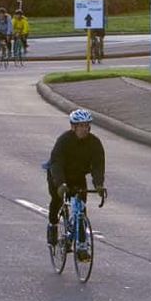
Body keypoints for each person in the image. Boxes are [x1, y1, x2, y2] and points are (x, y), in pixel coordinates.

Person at [45, 108, 107, 254]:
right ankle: (53, 226)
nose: (84, 129)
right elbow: (56, 163)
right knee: (57, 200)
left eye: (86, 126)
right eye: (80, 126)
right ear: (73, 127)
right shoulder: (64, 141)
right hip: (58, 175)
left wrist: (98, 184)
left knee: (81, 208)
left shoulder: (94, 143)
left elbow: (98, 166)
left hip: (78, 176)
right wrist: (60, 184)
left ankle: (82, 245)